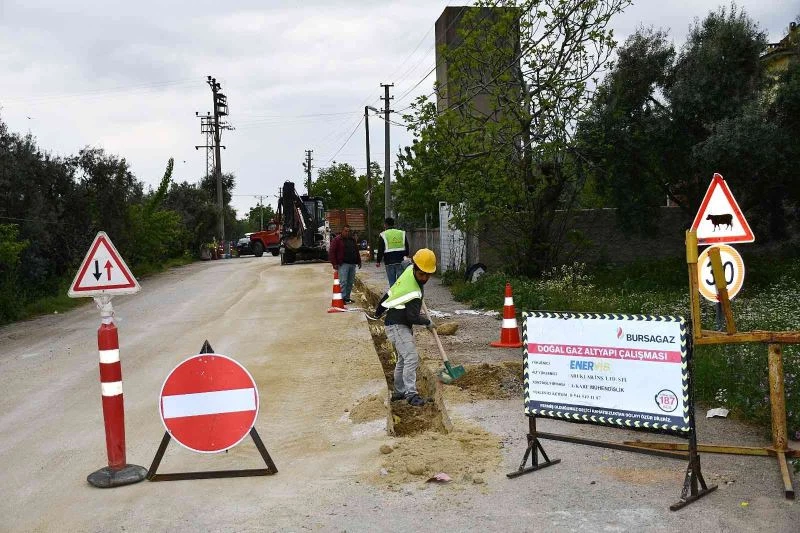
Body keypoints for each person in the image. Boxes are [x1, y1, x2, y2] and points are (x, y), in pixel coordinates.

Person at [375, 248, 437, 407]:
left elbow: (394, 287)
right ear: (415, 268)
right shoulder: (414, 293)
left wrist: (380, 308)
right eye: (422, 274)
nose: (424, 278)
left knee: (403, 359)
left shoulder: (409, 269)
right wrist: (427, 323)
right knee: (411, 357)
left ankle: (400, 391)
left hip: (395, 323)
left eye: (427, 275)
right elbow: (413, 317)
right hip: (398, 325)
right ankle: (411, 394)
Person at [329, 225, 361, 303]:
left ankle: (347, 297)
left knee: (350, 282)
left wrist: (359, 261)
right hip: (343, 264)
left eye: (348, 231)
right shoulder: (337, 240)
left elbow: (356, 251)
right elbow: (332, 252)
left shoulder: (352, 240)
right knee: (343, 282)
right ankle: (342, 298)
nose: (347, 232)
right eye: (345, 231)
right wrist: (334, 263)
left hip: (352, 264)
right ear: (342, 231)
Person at [376, 217, 410, 287]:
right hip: (400, 261)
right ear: (393, 224)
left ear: (385, 224)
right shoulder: (401, 233)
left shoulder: (383, 234)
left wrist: (378, 261)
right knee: (400, 283)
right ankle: (401, 296)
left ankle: (394, 296)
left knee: (392, 283)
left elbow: (380, 249)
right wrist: (406, 255)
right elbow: (407, 246)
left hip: (389, 262)